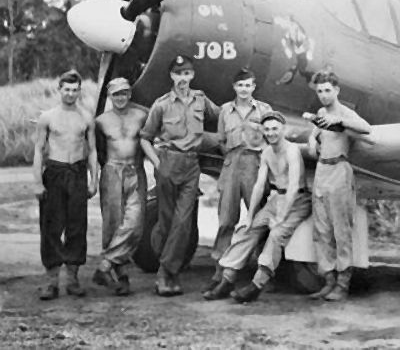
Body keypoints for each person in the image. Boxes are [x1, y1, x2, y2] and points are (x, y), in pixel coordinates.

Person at [204, 111, 312, 302]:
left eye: (275, 129)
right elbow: (259, 185)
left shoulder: (292, 150)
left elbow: (294, 185)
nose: (271, 133)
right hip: (276, 198)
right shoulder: (267, 152)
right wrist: (250, 216)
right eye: (267, 130)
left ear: (283, 129)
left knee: (277, 235)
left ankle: (256, 285)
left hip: (297, 200)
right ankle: (227, 280)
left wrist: (281, 216)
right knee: (248, 230)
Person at [140, 54, 219, 296]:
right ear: (172, 76)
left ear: (192, 75)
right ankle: (169, 274)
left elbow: (222, 116)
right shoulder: (161, 104)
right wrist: (157, 162)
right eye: (178, 74)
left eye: (187, 74)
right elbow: (145, 138)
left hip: (191, 165)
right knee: (166, 223)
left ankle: (165, 273)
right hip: (168, 163)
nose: (183, 79)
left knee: (183, 222)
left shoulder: (201, 100)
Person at [32, 70, 99, 300]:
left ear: (80, 91)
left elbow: (92, 151)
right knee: (51, 226)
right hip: (55, 173)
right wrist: (38, 182)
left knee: (76, 226)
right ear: (59, 89)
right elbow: (39, 150)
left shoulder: (86, 117)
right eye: (66, 89)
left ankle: (72, 279)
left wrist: (94, 180)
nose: (70, 93)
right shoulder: (48, 117)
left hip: (77, 173)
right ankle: (51, 281)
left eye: (74, 89)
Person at [203, 68, 272, 294]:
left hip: (255, 164)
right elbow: (222, 140)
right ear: (235, 87)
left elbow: (272, 137)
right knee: (226, 218)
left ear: (254, 87)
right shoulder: (225, 110)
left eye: (248, 85)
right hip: (232, 163)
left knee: (259, 218)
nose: (244, 89)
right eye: (240, 85)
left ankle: (262, 268)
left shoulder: (264, 110)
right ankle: (220, 269)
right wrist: (232, 158)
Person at [305, 71, 370, 302]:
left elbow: (366, 128)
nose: (323, 95)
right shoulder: (322, 112)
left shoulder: (345, 113)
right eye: (320, 91)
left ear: (337, 90)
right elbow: (316, 127)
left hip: (339, 170)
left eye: (327, 91)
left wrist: (340, 122)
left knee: (341, 230)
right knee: (322, 229)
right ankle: (328, 281)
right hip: (322, 171)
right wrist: (313, 140)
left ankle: (343, 283)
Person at [92, 78, 148, 296]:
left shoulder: (142, 115)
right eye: (116, 94)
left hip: (135, 171)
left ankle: (105, 265)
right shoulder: (101, 121)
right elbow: (97, 151)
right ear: (109, 95)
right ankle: (122, 276)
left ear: (130, 94)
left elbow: (152, 136)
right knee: (113, 224)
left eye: (124, 93)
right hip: (112, 171)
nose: (120, 98)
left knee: (136, 223)